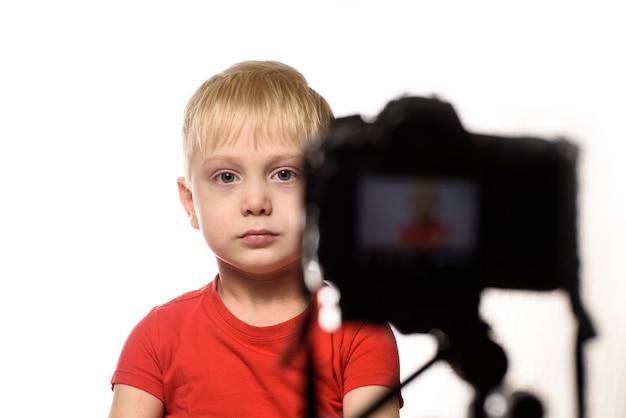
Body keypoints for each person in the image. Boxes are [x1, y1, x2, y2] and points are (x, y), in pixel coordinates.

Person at [108, 60, 402, 418]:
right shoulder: (156, 338)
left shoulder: (358, 331)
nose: (256, 202)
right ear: (190, 203)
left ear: (326, 192)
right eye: (227, 176)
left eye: (284, 173)